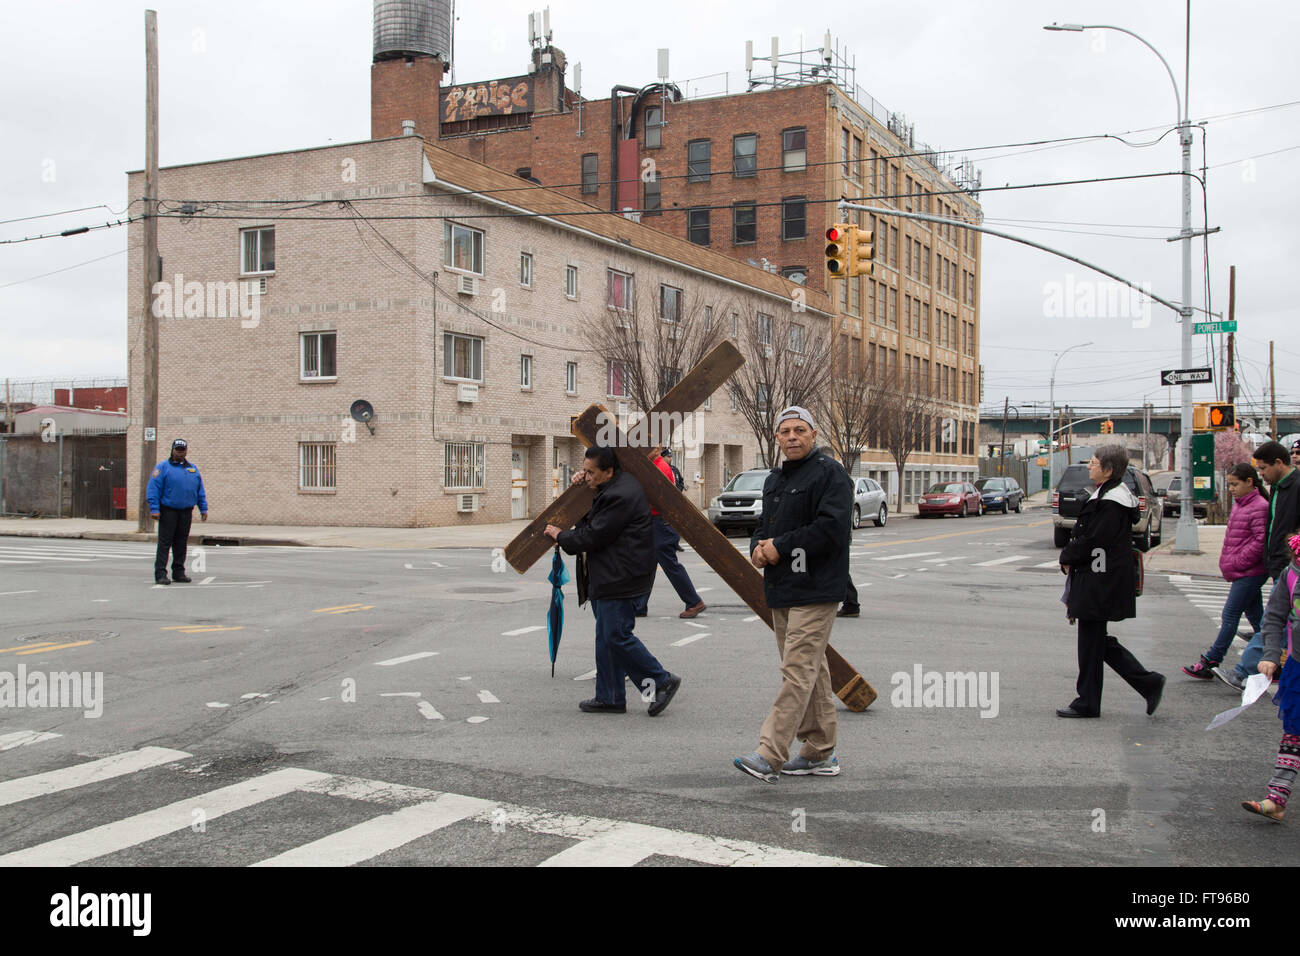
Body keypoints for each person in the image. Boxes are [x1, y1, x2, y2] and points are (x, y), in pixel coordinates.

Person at [734, 407, 852, 782]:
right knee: (812, 671)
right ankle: (819, 753)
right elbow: (764, 525)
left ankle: (769, 754)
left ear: (814, 434)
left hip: (816, 588)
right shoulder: (775, 480)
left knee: (796, 670)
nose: (792, 437)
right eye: (785, 431)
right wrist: (756, 547)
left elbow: (831, 530)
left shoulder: (831, 475)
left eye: (800, 430)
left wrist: (779, 547)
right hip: (782, 588)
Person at [545, 446, 681, 716]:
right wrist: (585, 486)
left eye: (591, 472)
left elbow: (593, 536)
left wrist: (561, 536)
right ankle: (610, 696)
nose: (587, 476)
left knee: (616, 636)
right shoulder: (614, 486)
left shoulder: (620, 495)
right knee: (606, 637)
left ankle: (661, 681)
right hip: (613, 574)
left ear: (608, 471)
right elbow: (595, 519)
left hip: (620, 577)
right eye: (584, 471)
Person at [1056, 444, 1165, 718]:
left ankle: (1093, 700)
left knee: (1091, 643)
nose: (1089, 467)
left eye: (1094, 463)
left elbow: (1095, 541)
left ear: (1108, 469)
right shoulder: (1107, 495)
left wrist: (1068, 555)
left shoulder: (1112, 502)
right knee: (1095, 642)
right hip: (1098, 577)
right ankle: (1142, 684)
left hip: (1100, 580)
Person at [1215, 440, 1300, 690]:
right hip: (1275, 565)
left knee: (1275, 620)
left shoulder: (1296, 487)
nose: (1260, 474)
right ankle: (1270, 667)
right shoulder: (1278, 488)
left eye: (1263, 469)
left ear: (1279, 463)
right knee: (1275, 621)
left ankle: (1244, 672)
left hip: (1290, 566)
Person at [1181, 463, 1270, 679]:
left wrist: (1237, 561)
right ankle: (1275, 657)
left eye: (1234, 484)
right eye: (1229, 484)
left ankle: (1211, 660)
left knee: (1230, 614)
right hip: (1244, 570)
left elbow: (1260, 541)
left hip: (1250, 571)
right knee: (1259, 619)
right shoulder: (1242, 503)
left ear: (1250, 482)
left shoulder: (1259, 506)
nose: (1231, 489)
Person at [1240, 532, 1300, 822]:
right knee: (1293, 735)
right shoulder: (1291, 575)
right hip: (1299, 666)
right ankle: (1277, 799)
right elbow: (1275, 617)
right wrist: (1270, 654)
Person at [631, 450, 706, 620]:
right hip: (656, 520)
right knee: (647, 562)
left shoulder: (659, 468)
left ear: (657, 448)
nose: (642, 450)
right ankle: (639, 605)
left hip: (660, 521)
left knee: (668, 563)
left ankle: (694, 601)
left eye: (647, 447)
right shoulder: (655, 466)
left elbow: (655, 496)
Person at [146, 438, 208, 585]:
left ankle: (179, 572)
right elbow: (153, 489)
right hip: (168, 511)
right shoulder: (163, 468)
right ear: (172, 450)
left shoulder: (192, 469)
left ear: (186, 451)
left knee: (181, 543)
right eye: (177, 450)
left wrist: (203, 508)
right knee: (165, 543)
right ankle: (160, 573)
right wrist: (154, 508)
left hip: (186, 511)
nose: (180, 453)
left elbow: (199, 490)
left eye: (182, 450)